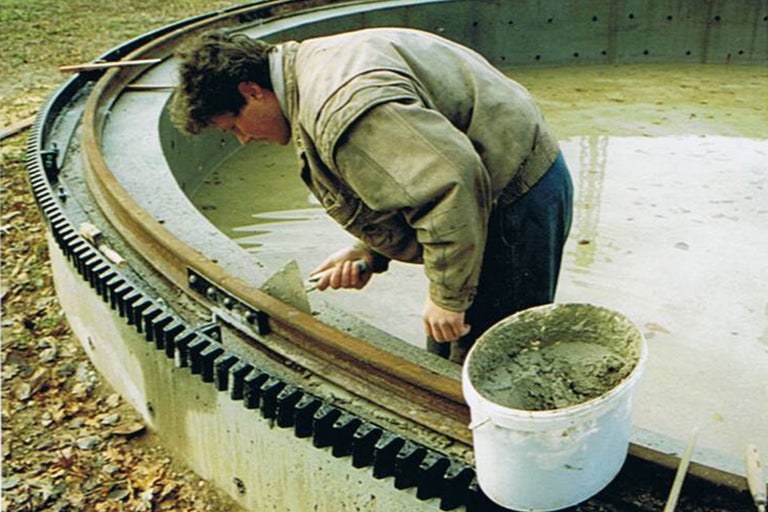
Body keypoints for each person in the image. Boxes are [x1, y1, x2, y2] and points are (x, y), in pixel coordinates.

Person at [171, 27, 573, 363]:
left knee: (492, 362)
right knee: (449, 350)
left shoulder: (343, 108)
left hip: (515, 197)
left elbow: (450, 184)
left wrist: (449, 298)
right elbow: (409, 176)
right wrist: (369, 251)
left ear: (252, 90)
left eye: (233, 126)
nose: (242, 139)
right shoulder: (308, 67)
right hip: (489, 189)